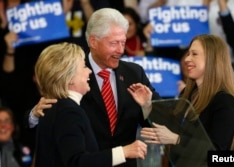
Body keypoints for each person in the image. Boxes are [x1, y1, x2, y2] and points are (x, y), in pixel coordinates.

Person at [26, 8, 161, 167]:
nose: (120, 50)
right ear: (93, 41)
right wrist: (34, 115)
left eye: (123, 42)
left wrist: (147, 106)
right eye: (113, 43)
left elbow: (158, 126)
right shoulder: (71, 70)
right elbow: (52, 127)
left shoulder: (134, 73)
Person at [33, 42, 149, 167]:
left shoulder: (54, 108)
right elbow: (76, 162)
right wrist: (124, 152)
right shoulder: (68, 112)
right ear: (69, 77)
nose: (89, 71)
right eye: (83, 66)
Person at [141, 34, 234, 151]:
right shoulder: (187, 94)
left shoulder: (224, 101)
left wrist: (177, 139)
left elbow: (216, 150)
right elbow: (167, 130)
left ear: (212, 59)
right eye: (188, 54)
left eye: (194, 54)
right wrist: (147, 105)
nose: (187, 59)